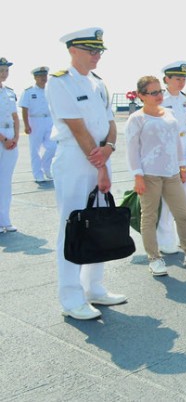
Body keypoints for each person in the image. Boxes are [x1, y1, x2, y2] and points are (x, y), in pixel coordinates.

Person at [46, 28, 126, 320]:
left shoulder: (98, 83)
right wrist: (101, 164)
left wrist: (110, 148)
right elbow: (78, 130)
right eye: (92, 50)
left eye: (100, 51)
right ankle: (71, 297)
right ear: (73, 50)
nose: (97, 56)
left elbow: (110, 122)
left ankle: (94, 287)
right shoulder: (59, 83)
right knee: (74, 226)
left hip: (100, 157)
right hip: (75, 161)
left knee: (99, 223)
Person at [126, 75, 186, 277]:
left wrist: (182, 166)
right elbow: (131, 150)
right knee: (149, 217)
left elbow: (176, 142)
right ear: (141, 95)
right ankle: (154, 258)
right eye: (153, 92)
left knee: (182, 214)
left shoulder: (168, 115)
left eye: (160, 91)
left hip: (171, 173)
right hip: (149, 175)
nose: (158, 95)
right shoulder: (137, 119)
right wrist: (137, 175)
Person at [155, 62, 186, 254]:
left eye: (184, 79)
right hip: (166, 152)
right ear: (167, 80)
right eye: (178, 79)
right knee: (166, 199)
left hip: (185, 150)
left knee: (184, 197)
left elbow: (185, 124)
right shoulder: (158, 99)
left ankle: (183, 238)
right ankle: (165, 240)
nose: (182, 82)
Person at [19, 66, 56, 183]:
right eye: (41, 76)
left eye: (45, 76)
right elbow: (24, 109)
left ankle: (46, 168)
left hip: (49, 120)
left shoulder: (50, 90)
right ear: (35, 77)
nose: (43, 78)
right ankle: (38, 174)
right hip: (35, 121)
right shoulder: (29, 92)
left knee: (53, 147)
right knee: (34, 150)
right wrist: (26, 125)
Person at [0, 57, 20, 233]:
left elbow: (15, 117)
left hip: (10, 138)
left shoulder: (9, 92)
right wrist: (4, 139)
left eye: (6, 70)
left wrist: (15, 138)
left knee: (6, 182)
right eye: (1, 70)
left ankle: (5, 220)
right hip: (1, 138)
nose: (4, 74)